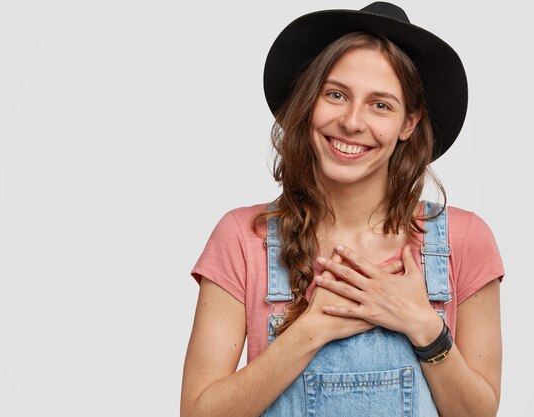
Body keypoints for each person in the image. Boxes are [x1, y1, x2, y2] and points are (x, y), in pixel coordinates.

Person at [180, 2, 504, 417]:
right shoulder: (243, 236)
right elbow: (197, 412)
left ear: (409, 122)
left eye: (380, 105)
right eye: (336, 94)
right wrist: (311, 330)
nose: (352, 121)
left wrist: (423, 325)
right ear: (309, 101)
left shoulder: (465, 240)